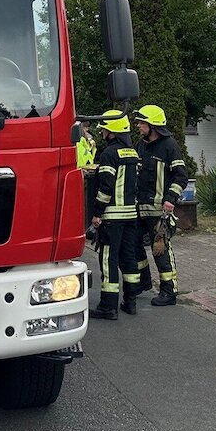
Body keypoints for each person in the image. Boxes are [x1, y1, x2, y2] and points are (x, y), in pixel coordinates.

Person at [90, 110, 143, 319]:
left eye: (104, 128)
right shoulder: (133, 153)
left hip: (112, 217)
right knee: (129, 258)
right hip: (131, 216)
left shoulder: (109, 154)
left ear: (111, 131)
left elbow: (105, 187)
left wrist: (97, 212)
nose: (102, 132)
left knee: (108, 260)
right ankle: (130, 302)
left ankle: (108, 306)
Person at [133, 104, 186, 306]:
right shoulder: (141, 145)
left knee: (160, 250)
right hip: (140, 208)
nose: (138, 125)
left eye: (142, 122)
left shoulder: (169, 146)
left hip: (159, 211)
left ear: (152, 125)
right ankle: (143, 281)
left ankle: (169, 291)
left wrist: (170, 199)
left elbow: (181, 176)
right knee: (134, 245)